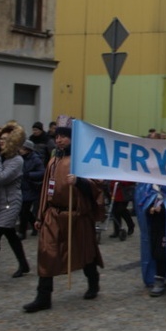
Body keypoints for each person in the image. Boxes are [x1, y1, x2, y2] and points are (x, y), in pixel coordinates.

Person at [23, 115, 105, 313]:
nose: (59, 139)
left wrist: (80, 182)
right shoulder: (52, 161)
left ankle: (93, 282)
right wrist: (41, 215)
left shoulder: (83, 161)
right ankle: (43, 296)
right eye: (57, 136)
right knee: (46, 253)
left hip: (77, 215)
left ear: (73, 138)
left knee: (85, 252)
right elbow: (46, 190)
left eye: (64, 136)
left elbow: (98, 187)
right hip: (53, 215)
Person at [0, 121, 30, 282]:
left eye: (6, 139)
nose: (2, 141)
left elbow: (1, 178)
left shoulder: (17, 160)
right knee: (11, 235)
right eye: (1, 138)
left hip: (10, 203)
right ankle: (24, 264)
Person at [18, 140, 45, 240]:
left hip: (31, 188)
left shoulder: (35, 159)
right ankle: (35, 225)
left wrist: (29, 175)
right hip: (22, 187)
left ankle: (22, 232)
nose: (20, 150)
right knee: (23, 211)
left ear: (28, 150)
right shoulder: (20, 158)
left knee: (24, 211)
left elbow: (42, 172)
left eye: (22, 149)